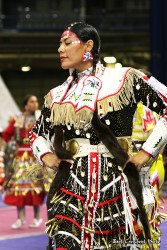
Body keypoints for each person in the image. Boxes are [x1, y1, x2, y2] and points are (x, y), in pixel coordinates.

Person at [29, 22, 167, 250]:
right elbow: (36, 134)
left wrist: (146, 152)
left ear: (88, 46)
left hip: (118, 189)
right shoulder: (57, 95)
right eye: (59, 45)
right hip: (71, 193)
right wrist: (48, 157)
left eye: (66, 43)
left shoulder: (125, 79)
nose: (59, 50)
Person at [0, 95, 45, 229]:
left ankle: (37, 217)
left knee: (35, 189)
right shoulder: (17, 119)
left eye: (36, 101)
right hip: (19, 158)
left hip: (35, 155)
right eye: (32, 102)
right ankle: (21, 218)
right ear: (26, 105)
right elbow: (6, 135)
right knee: (19, 188)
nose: (35, 104)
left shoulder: (40, 118)